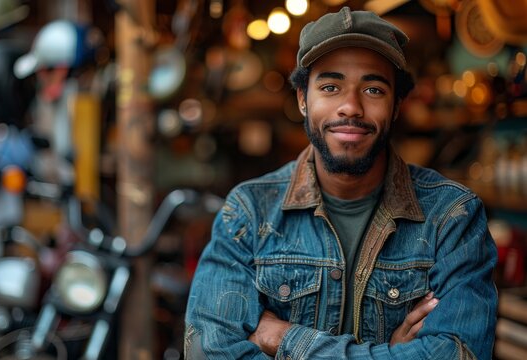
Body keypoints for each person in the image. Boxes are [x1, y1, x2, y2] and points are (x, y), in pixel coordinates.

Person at [185, 6, 497, 360]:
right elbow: (206, 352)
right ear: (303, 99)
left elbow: (460, 353)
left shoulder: (452, 215)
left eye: (374, 90)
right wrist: (387, 353)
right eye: (331, 86)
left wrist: (285, 338)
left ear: (396, 106)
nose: (350, 106)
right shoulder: (249, 212)